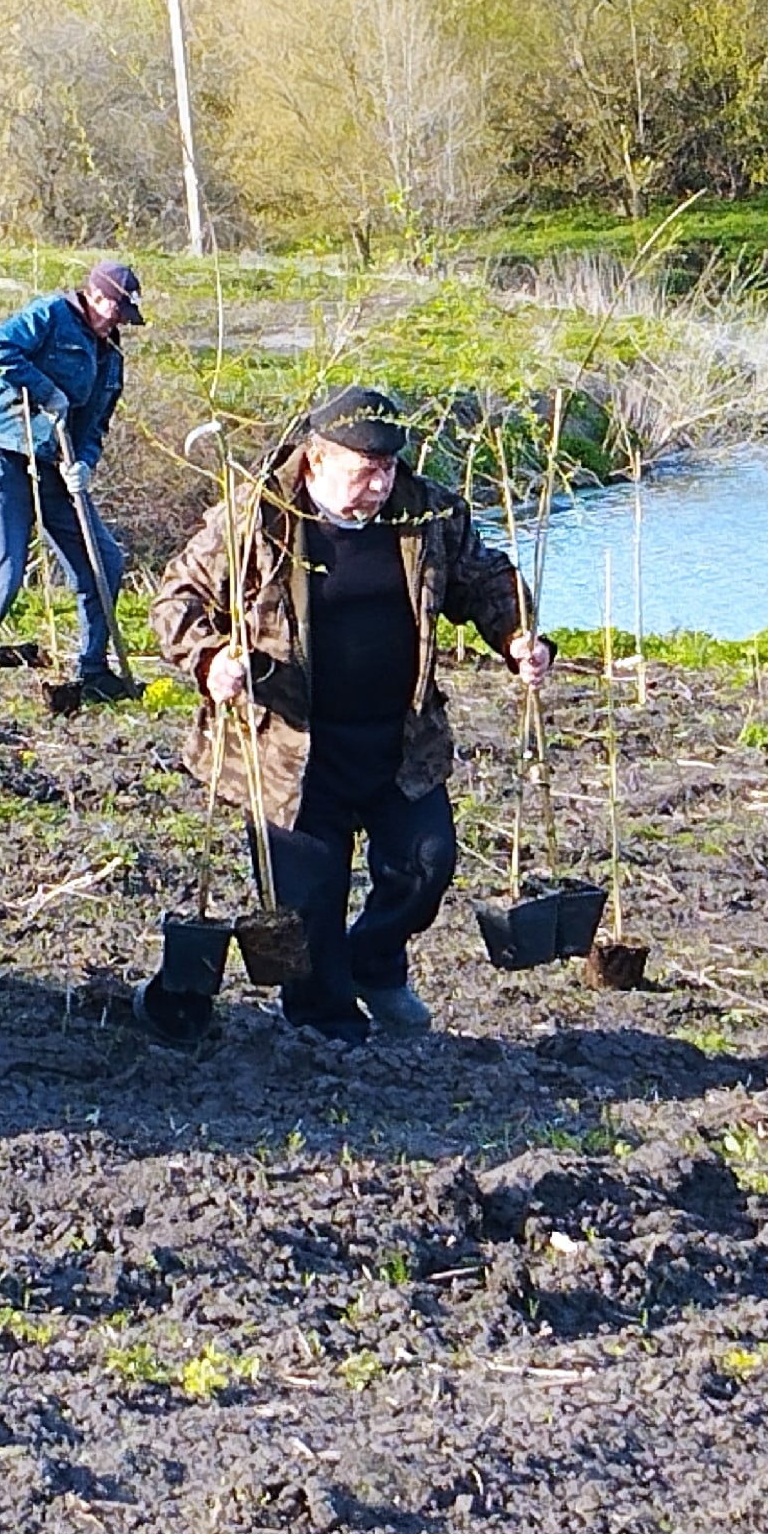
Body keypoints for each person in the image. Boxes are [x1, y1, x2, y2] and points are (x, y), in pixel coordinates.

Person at [150, 386, 552, 1043]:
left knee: (427, 862)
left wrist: (516, 637)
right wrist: (210, 659)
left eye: (389, 467)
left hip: (398, 741)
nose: (380, 482)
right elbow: (177, 601)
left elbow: (486, 581)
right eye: (365, 470)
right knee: (307, 903)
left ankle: (375, 961)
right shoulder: (256, 517)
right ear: (314, 460)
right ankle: (323, 1023)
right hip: (288, 749)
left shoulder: (427, 516)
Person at [0, 261, 146, 707]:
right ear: (95, 296)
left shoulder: (112, 359)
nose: (116, 321)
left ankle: (93, 670)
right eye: (115, 309)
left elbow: (96, 426)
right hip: (6, 451)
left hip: (57, 464)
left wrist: (85, 465)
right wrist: (45, 389)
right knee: (7, 569)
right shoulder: (49, 315)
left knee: (103, 560)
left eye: (124, 315)